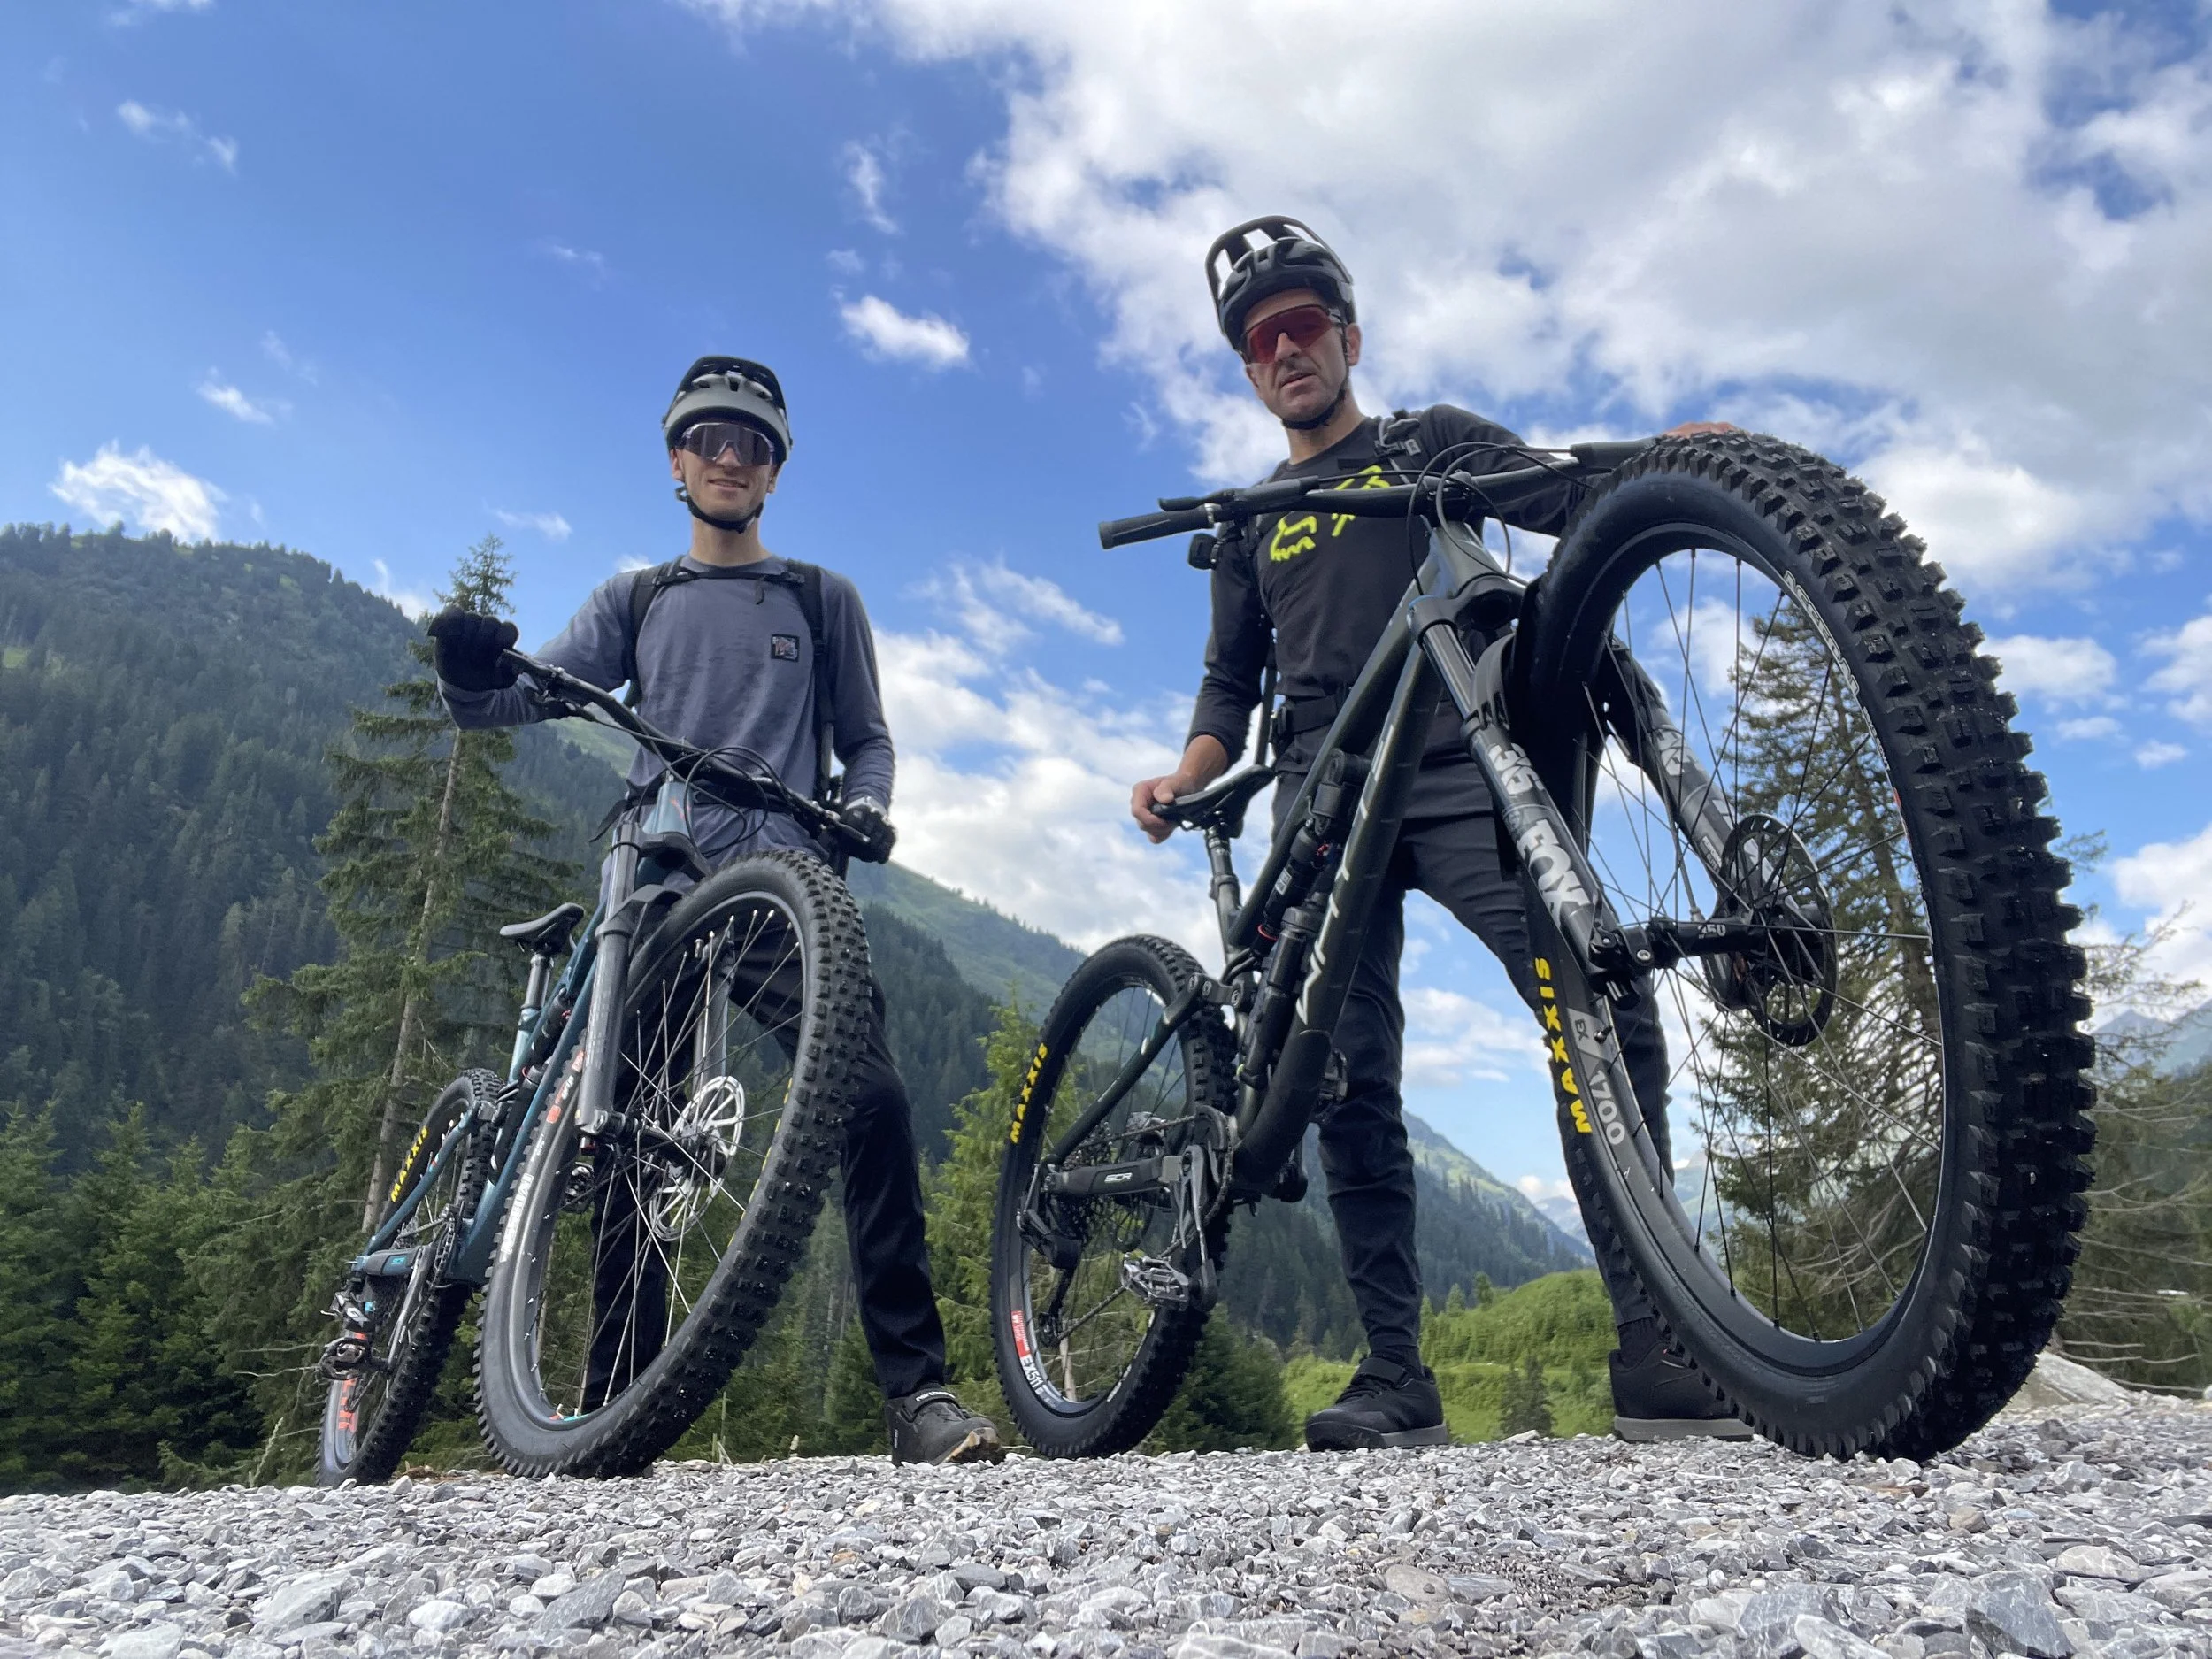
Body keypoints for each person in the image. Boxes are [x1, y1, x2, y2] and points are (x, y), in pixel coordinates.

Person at [1129, 219, 1750, 1449]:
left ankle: (1660, 1345)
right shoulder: (1254, 515)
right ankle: (1396, 1378)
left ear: (1349, 337)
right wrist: (1188, 771)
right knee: (1350, 1084)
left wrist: (1664, 460)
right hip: (1318, 798)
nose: (1287, 347)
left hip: (1461, 767)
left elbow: (1565, 489)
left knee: (1601, 997)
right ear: (1250, 372)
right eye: (1263, 340)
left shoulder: (1428, 444)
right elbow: (1226, 682)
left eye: (1306, 324)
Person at [426, 355, 1002, 1466]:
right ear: (676, 458)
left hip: (787, 881)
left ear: (775, 472)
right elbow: (514, 699)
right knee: (635, 1133)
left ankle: (917, 1395)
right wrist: (463, 671)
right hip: (659, 878)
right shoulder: (636, 600)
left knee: (871, 1100)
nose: (730, 458)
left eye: (752, 444)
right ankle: (613, 1402)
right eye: (709, 439)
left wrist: (868, 805)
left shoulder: (821, 600)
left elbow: (867, 737)